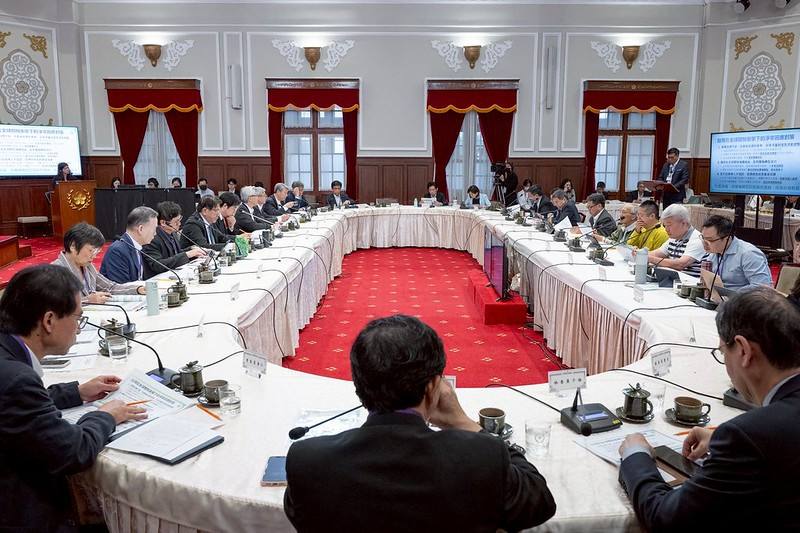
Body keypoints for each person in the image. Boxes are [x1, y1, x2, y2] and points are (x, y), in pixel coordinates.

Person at [284, 315, 556, 532]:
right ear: (433, 387)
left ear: (358, 386)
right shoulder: (481, 456)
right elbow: (540, 502)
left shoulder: (308, 461)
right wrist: (464, 422)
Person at [618, 287, 800, 532]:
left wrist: (636, 456)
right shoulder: (756, 434)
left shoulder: (748, 435)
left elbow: (666, 518)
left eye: (723, 352)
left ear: (744, 351)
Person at [0, 264, 147, 532]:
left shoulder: (7, 353)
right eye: (78, 318)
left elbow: (20, 405)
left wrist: (76, 392)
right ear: (48, 321)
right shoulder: (15, 379)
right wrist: (106, 416)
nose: (79, 328)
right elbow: (73, 451)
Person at [51, 222, 145, 303]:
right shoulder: (55, 272)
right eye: (91, 251)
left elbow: (110, 287)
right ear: (73, 246)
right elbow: (55, 305)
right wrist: (88, 300)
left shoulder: (88, 266)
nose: (94, 256)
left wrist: (137, 289)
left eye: (96, 252)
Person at [700, 215, 772, 291]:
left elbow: (762, 287)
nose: (704, 243)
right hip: (718, 299)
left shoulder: (749, 254)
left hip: (743, 300)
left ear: (727, 239)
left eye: (710, 240)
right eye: (703, 238)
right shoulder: (714, 252)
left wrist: (733, 294)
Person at [142, 201, 206, 278]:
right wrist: (188, 254)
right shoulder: (152, 238)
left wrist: (193, 250)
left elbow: (176, 254)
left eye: (180, 220)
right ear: (163, 223)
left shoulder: (173, 233)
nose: (179, 224)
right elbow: (158, 265)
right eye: (176, 221)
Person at [99, 206, 158, 284]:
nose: (155, 233)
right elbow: (121, 287)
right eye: (154, 229)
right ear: (141, 229)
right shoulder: (117, 251)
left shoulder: (136, 247)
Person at [647, 204, 704, 275]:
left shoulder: (697, 239)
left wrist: (649, 258)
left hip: (690, 283)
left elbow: (680, 264)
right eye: (665, 226)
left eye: (669, 225)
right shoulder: (674, 238)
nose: (666, 229)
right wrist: (639, 253)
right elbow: (656, 254)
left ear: (684, 223)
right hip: (674, 281)